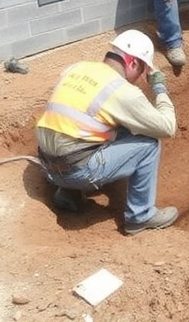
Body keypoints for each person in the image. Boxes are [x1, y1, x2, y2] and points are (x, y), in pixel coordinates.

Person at [35, 30, 179, 235]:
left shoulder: (77, 68)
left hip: (47, 167)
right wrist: (159, 88)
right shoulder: (121, 91)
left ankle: (68, 194)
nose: (139, 79)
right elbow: (167, 127)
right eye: (141, 71)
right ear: (133, 63)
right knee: (149, 144)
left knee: (92, 128)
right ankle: (140, 216)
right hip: (77, 171)